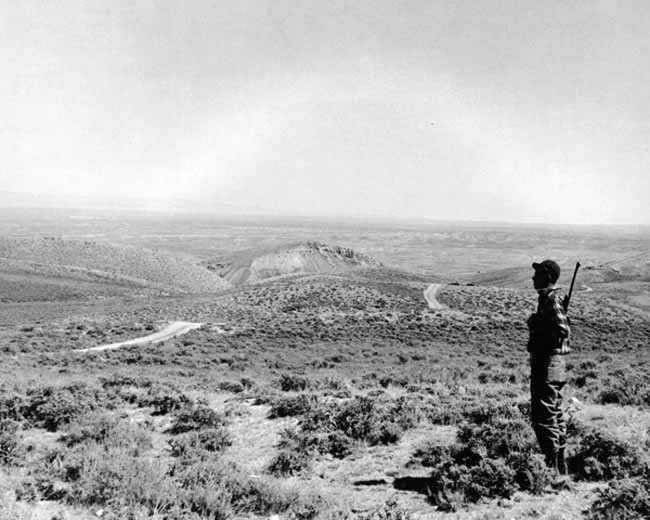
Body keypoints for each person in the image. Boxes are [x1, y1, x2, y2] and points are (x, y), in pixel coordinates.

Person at [527, 259, 571, 474]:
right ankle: (560, 466)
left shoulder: (551, 300)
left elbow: (562, 329)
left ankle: (550, 470)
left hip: (548, 364)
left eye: (537, 275)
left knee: (544, 417)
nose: (533, 278)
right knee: (555, 413)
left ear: (547, 277)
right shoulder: (549, 299)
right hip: (555, 365)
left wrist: (539, 328)